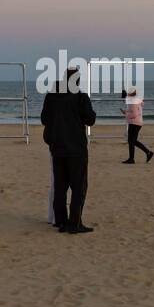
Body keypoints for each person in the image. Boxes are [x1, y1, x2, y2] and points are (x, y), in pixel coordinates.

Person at [40, 65, 97, 233]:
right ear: (77, 81)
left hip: (57, 148)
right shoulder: (80, 97)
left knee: (60, 187)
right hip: (76, 149)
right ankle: (74, 223)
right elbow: (90, 120)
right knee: (79, 188)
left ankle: (60, 221)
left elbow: (44, 119)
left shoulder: (52, 96)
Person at [120, 87, 154, 164]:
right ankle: (148, 153)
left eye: (124, 97)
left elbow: (134, 113)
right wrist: (125, 112)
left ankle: (132, 159)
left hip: (134, 122)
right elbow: (133, 111)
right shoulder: (135, 100)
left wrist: (126, 114)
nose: (124, 99)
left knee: (131, 141)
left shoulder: (133, 101)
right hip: (137, 122)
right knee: (133, 141)